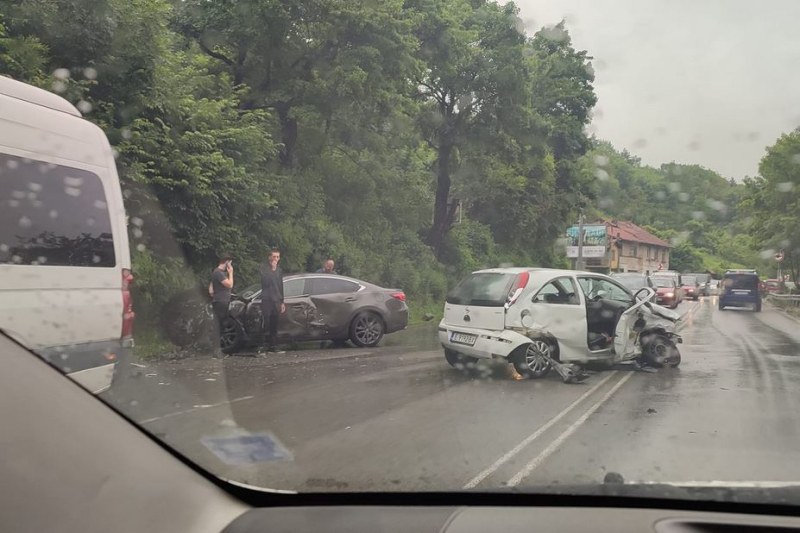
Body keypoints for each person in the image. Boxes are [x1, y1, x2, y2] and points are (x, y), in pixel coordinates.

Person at [259, 248, 286, 354]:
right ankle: (262, 346)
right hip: (267, 299)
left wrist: (282, 301)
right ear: (269, 257)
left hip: (276, 300)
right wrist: (272, 270)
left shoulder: (279, 270)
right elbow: (265, 282)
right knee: (266, 323)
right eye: (274, 256)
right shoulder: (264, 268)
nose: (276, 259)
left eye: (278, 257)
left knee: (275, 324)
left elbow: (280, 285)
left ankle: (273, 346)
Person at [209, 253, 234, 356]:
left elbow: (210, 289)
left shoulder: (216, 273)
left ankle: (218, 349)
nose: (231, 265)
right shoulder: (219, 273)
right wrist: (231, 273)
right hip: (221, 302)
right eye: (230, 263)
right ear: (227, 262)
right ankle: (217, 350)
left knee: (220, 325)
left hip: (219, 301)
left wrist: (214, 294)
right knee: (219, 326)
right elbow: (229, 284)